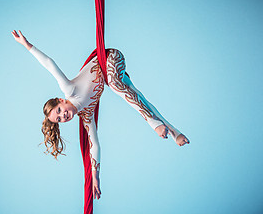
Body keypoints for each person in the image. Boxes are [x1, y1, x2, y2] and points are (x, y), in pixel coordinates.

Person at [11, 30, 190, 200]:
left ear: (61, 101)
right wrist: (95, 176)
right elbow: (94, 145)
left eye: (59, 111)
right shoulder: (86, 115)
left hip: (111, 58)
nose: (63, 116)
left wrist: (27, 45)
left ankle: (154, 124)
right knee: (139, 97)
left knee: (117, 87)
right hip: (112, 77)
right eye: (59, 119)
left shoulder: (69, 89)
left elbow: (50, 64)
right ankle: (175, 133)